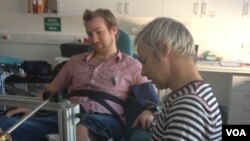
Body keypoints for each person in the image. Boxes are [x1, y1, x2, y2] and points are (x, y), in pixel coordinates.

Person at [0, 9, 159, 141]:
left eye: (99, 32)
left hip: (105, 121)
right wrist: (29, 108)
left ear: (114, 30)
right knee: (7, 127)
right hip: (65, 119)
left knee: (80, 131)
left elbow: (151, 101)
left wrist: (149, 111)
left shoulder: (133, 66)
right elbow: (50, 90)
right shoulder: (74, 62)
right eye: (90, 34)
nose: (94, 39)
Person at [133, 17, 222, 141]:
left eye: (144, 61)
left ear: (164, 49)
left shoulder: (188, 107)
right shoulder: (194, 93)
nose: (143, 72)